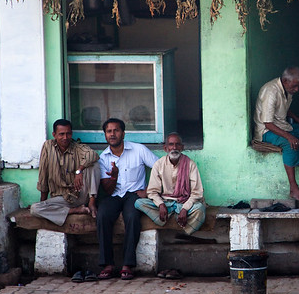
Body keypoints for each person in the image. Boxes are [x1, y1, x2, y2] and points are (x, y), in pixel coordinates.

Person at [134, 132, 206, 279]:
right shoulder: (159, 165)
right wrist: (161, 205)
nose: (174, 147)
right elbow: (152, 192)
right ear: (165, 148)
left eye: (177, 144)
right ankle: (165, 217)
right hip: (166, 203)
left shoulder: (190, 164)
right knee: (138, 202)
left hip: (183, 203)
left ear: (182, 147)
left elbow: (197, 193)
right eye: (171, 144)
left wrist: (185, 208)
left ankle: (183, 227)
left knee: (199, 209)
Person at [96, 118, 158, 281]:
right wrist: (114, 177)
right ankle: (107, 264)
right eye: (109, 131)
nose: (112, 134)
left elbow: (160, 168)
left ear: (123, 133)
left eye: (116, 130)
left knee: (132, 216)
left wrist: (149, 191)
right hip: (114, 195)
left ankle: (127, 265)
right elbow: (107, 190)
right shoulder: (103, 158)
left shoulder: (138, 150)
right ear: (105, 135)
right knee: (102, 214)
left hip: (134, 194)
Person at [254, 66, 299, 201]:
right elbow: (268, 123)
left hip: (281, 125)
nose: (297, 89)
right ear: (285, 80)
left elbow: (285, 109)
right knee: (289, 143)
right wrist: (289, 136)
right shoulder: (270, 91)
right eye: (295, 86)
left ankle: (295, 137)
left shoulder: (286, 89)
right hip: (266, 131)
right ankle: (293, 188)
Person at [30, 119, 100, 226]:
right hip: (61, 199)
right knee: (35, 208)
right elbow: (43, 175)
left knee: (93, 164)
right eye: (61, 134)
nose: (65, 137)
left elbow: (93, 155)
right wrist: (43, 203)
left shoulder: (77, 147)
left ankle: (91, 203)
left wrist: (79, 170)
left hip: (79, 195)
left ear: (71, 134)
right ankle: (75, 210)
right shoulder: (48, 147)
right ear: (54, 135)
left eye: (68, 134)